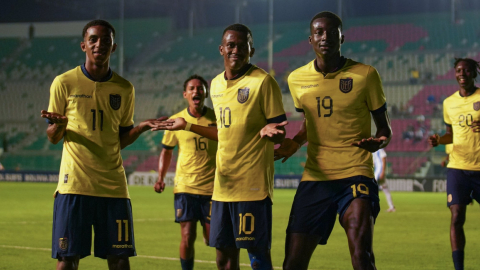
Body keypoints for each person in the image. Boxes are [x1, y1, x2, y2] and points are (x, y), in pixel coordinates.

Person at [155, 23, 287, 270]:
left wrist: (272, 132)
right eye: (230, 45)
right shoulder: (214, 85)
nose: (235, 50)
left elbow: (280, 130)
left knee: (257, 257)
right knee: (223, 259)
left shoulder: (263, 82)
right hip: (221, 188)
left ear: (252, 50)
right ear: (221, 49)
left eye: (241, 45)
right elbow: (223, 133)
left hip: (252, 186)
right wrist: (187, 126)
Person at [41, 19, 166, 270]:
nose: (100, 44)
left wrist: (140, 128)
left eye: (105, 40)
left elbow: (119, 140)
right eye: (93, 39)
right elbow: (53, 137)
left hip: (113, 187)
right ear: (83, 45)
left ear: (114, 46)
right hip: (74, 185)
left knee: (120, 260)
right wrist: (60, 125)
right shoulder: (64, 82)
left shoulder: (124, 89)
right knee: (67, 260)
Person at [274, 11, 392, 270]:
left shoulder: (365, 75)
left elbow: (385, 129)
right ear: (310, 39)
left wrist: (379, 142)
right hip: (316, 176)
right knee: (292, 262)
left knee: (362, 256)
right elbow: (311, 123)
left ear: (342, 38)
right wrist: (295, 142)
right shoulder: (296, 79)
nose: (324, 37)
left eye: (331, 32)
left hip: (355, 173)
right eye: (319, 32)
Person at [153, 74, 217, 270]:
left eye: (200, 88)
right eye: (192, 88)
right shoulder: (176, 120)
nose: (196, 91)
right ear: (185, 94)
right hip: (185, 187)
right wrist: (161, 177)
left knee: (212, 238)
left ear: (206, 93)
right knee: (187, 236)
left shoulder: (217, 118)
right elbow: (166, 151)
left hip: (213, 188)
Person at [428, 57, 480, 270]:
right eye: (458, 70)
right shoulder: (449, 103)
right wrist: (439, 140)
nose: (462, 74)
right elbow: (451, 134)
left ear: (474, 73)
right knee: (457, 216)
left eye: (467, 70)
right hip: (458, 167)